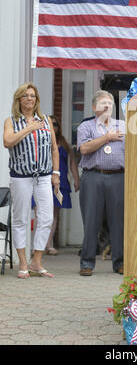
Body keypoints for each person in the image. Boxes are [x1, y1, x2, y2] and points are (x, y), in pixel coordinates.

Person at [3, 82, 59, 279]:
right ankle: (23, 264)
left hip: (43, 176)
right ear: (19, 99)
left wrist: (56, 173)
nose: (29, 99)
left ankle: (36, 260)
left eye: (33, 96)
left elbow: (54, 148)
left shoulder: (45, 120)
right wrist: (29, 129)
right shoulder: (11, 121)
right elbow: (7, 141)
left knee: (47, 218)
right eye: (25, 96)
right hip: (21, 177)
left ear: (37, 100)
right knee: (20, 219)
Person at [77, 90, 125, 276]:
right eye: (103, 103)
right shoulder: (86, 127)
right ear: (94, 107)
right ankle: (87, 263)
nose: (107, 106)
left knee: (118, 222)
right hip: (93, 177)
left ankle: (120, 263)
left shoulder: (123, 125)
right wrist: (107, 137)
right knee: (91, 221)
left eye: (110, 103)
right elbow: (84, 148)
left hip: (118, 177)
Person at [43, 115, 80, 255]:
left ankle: (49, 244)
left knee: (54, 214)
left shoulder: (64, 143)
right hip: (44, 180)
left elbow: (72, 163)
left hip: (61, 181)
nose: (53, 126)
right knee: (41, 213)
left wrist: (76, 179)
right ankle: (39, 245)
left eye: (55, 124)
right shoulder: (42, 140)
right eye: (50, 124)